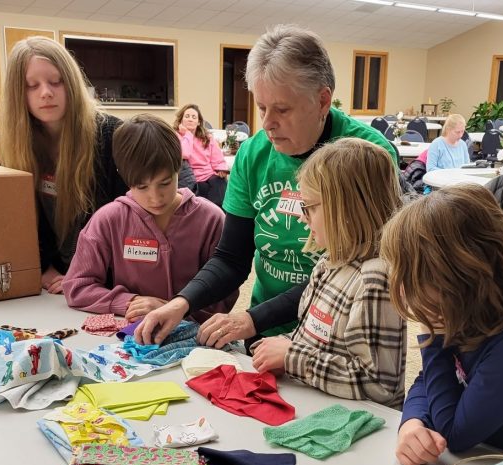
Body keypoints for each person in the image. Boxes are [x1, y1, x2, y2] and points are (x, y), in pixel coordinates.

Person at [135, 24, 398, 346]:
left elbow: (349, 274)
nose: (267, 123)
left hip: (338, 336)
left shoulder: (368, 156)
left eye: (282, 109)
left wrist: (252, 318)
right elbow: (232, 257)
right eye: (261, 107)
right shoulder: (253, 153)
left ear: (322, 100)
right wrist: (182, 302)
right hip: (265, 328)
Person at [380, 184, 503, 465]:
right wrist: (412, 422)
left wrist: (431, 338)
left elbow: (454, 433)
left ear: (456, 275)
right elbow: (425, 382)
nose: (404, 289)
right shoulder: (468, 311)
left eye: (413, 276)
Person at [250, 138, 407, 407]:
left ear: (346, 209)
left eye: (309, 206)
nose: (302, 217)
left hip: (357, 428)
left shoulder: (376, 280)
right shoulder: (329, 262)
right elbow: (314, 340)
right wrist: (280, 348)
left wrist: (292, 356)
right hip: (317, 406)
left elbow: (379, 386)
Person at [62, 114, 237, 323]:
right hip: (129, 336)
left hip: (195, 337)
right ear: (124, 177)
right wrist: (131, 302)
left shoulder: (211, 219)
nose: (155, 197)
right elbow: (77, 286)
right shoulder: (108, 220)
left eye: (164, 183)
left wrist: (176, 308)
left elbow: (225, 293)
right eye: (141, 187)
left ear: (178, 168)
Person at [0, 36, 127, 295]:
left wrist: (83, 276)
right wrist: (44, 268)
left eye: (56, 82)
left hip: (106, 282)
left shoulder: (111, 134)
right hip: (52, 282)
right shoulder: (16, 145)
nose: (46, 92)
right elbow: (18, 221)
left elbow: (127, 222)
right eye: (31, 86)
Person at [174, 103, 227, 204]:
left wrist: (221, 168)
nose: (190, 119)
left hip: (209, 174)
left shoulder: (207, 137)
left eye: (194, 117)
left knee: (221, 184)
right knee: (203, 193)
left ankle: (221, 217)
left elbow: (217, 157)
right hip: (192, 178)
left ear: (198, 122)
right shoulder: (176, 136)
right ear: (181, 120)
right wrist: (188, 134)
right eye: (187, 116)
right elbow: (185, 153)